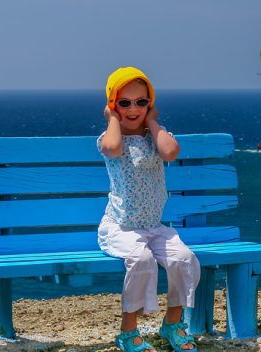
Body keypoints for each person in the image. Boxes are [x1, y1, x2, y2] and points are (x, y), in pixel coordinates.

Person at [96, 67, 201, 352]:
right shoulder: (109, 137)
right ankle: (128, 331)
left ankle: (173, 324)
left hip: (154, 227)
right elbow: (114, 148)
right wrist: (112, 119)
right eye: (124, 102)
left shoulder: (155, 138)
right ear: (113, 103)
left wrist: (153, 123)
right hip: (120, 227)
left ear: (150, 104)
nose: (134, 108)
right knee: (141, 260)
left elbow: (171, 152)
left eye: (141, 102)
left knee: (183, 258)